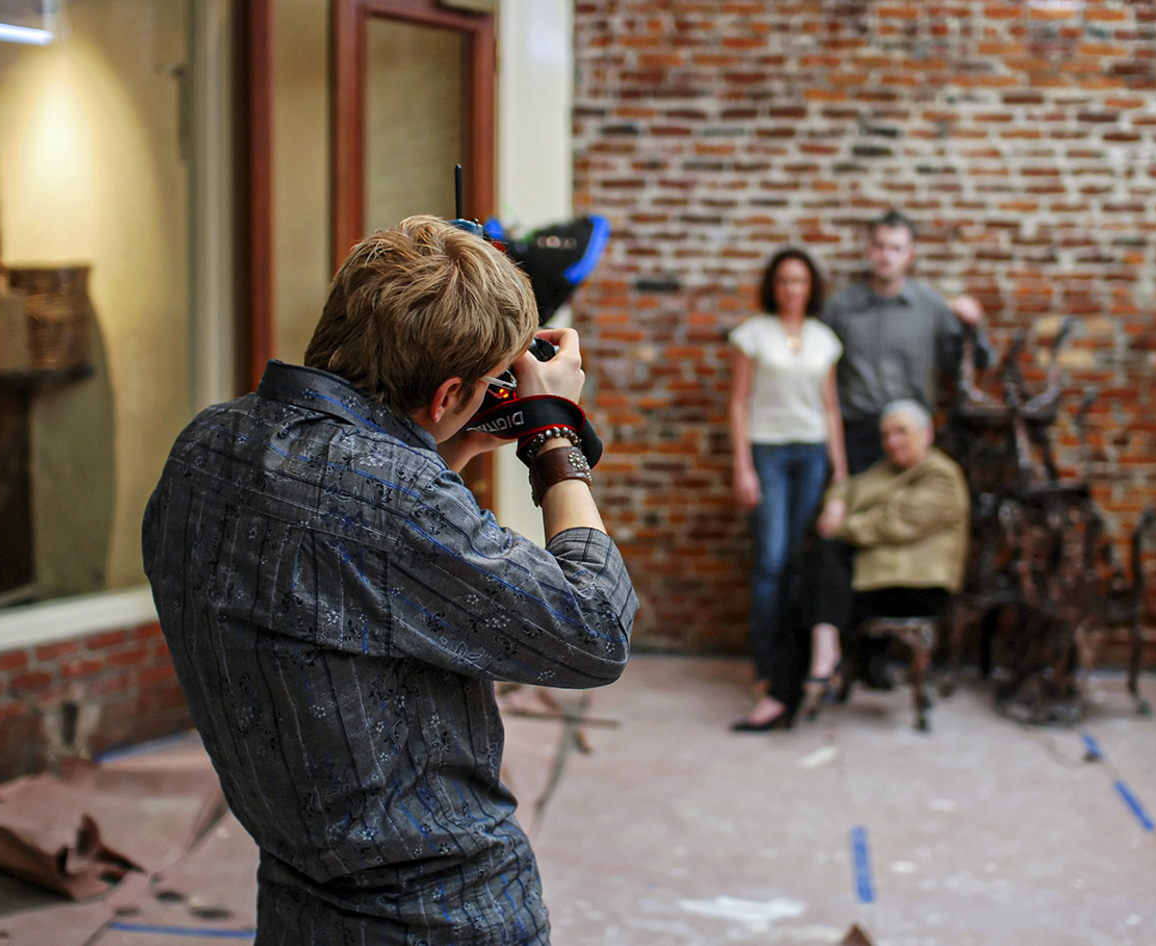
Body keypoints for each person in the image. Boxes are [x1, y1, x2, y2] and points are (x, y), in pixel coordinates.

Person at [141, 216, 638, 946]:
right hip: (443, 914)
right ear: (445, 395)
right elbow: (595, 628)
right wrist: (553, 432)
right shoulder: (399, 499)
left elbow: (349, 570)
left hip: (296, 901)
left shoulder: (206, 445)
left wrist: (448, 446)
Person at [727, 248, 847, 732]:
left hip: (813, 454)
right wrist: (743, 467)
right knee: (771, 561)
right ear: (773, 286)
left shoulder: (824, 340)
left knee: (801, 561)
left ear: (811, 287)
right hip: (769, 454)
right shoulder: (752, 335)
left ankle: (793, 669)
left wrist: (839, 472)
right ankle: (766, 665)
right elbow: (738, 405)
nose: (792, 289)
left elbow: (831, 408)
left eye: (800, 281)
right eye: (783, 281)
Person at [802, 400, 970, 702]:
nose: (892, 442)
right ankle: (820, 664)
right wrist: (836, 503)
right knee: (812, 571)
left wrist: (837, 526)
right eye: (886, 435)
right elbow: (850, 487)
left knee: (812, 577)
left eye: (901, 432)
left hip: (916, 586)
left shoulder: (942, 476)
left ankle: (809, 676)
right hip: (880, 577)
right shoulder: (887, 470)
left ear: (927, 433)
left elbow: (891, 523)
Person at [822, 209, 992, 475]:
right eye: (880, 246)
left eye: (896, 248)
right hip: (858, 433)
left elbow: (971, 362)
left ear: (910, 255)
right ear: (869, 250)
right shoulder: (840, 308)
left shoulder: (931, 307)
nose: (886, 256)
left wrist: (974, 326)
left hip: (913, 431)